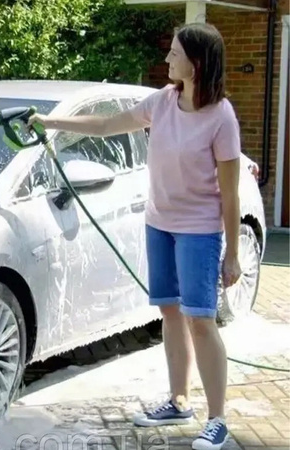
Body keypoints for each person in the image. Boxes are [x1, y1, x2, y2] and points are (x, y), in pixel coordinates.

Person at [29, 22, 241, 450]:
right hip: (158, 222)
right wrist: (50, 121)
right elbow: (108, 124)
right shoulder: (162, 102)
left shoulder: (221, 117)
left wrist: (233, 254)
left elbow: (231, 195)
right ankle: (179, 400)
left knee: (201, 319)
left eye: (175, 53)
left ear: (196, 64)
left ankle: (218, 419)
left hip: (199, 230)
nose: (167, 59)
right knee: (168, 312)